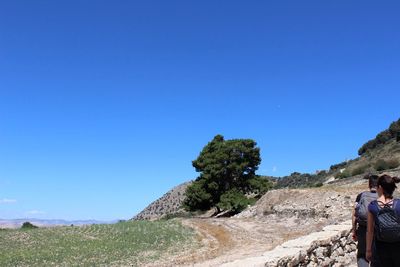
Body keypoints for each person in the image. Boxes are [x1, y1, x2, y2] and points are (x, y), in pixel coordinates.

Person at [366, 174, 400, 267]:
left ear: (380, 187)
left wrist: (368, 250)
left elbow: (370, 231)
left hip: (380, 249)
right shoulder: (399, 204)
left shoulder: (372, 206)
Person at [352, 174, 378, 267]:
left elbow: (354, 214)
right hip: (378, 230)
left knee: (362, 256)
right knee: (377, 256)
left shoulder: (361, 195)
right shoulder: (383, 196)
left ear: (369, 184)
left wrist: (354, 231)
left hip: (363, 230)